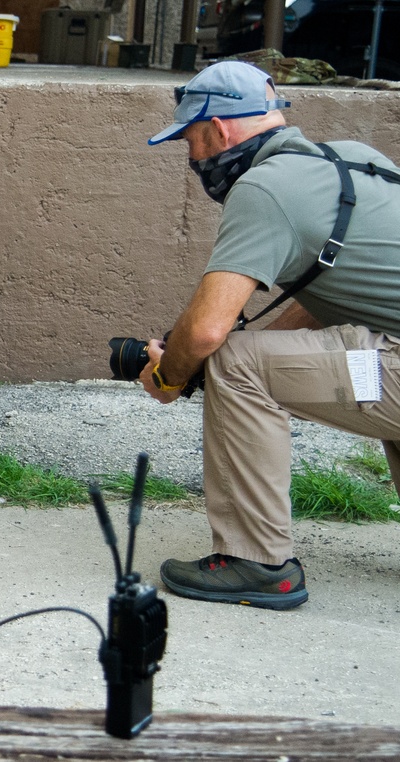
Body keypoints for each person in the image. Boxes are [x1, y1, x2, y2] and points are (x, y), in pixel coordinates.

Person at [140, 60, 400, 610]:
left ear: (220, 128)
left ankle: (255, 562)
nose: (192, 158)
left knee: (233, 362)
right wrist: (259, 355)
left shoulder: (264, 188)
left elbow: (210, 331)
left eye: (190, 139)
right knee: (271, 358)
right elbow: (326, 294)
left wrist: (170, 374)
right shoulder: (358, 160)